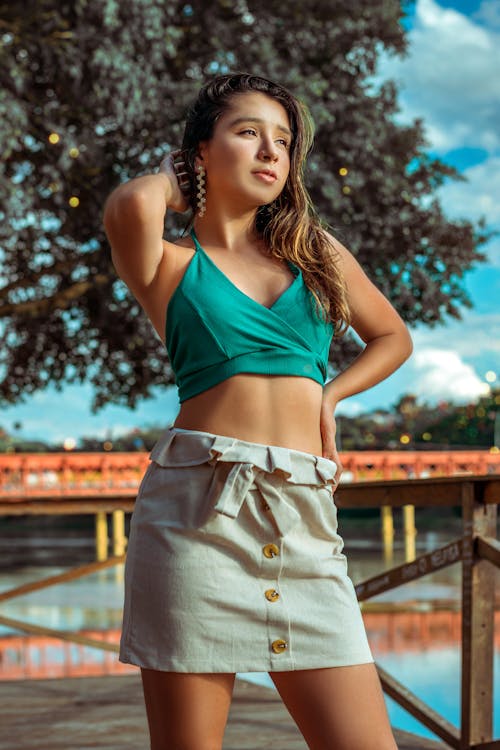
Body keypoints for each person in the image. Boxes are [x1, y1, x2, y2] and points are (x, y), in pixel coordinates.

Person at [103, 72, 411, 750]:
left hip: (303, 518)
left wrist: (331, 394)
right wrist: (173, 178)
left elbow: (393, 337)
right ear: (201, 153)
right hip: (194, 520)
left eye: (283, 141)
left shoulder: (317, 256)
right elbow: (130, 203)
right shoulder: (170, 266)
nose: (272, 152)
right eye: (248, 133)